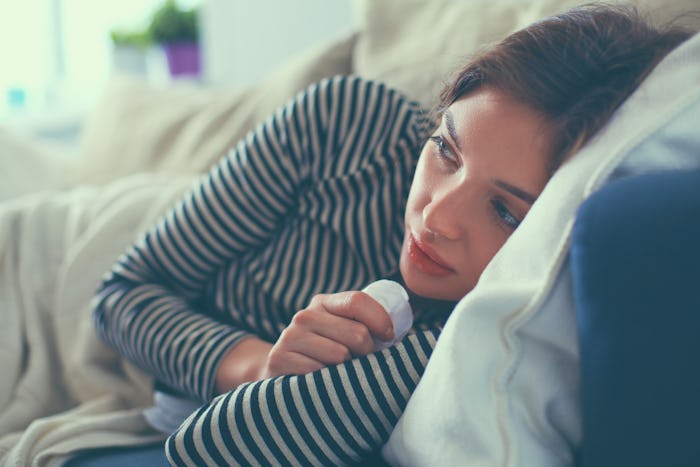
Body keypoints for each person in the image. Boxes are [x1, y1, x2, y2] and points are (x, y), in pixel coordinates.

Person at [90, 4, 692, 466]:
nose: (435, 218)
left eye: (506, 213)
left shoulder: (491, 335)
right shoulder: (342, 125)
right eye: (446, 152)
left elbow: (218, 441)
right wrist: (253, 364)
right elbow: (121, 291)